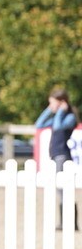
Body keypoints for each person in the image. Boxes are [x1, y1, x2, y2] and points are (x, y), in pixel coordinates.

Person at [35, 87, 79, 230]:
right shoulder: (56, 117)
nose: (51, 106)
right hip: (55, 155)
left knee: (64, 188)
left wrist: (60, 111)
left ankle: (71, 222)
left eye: (53, 103)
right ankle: (64, 221)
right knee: (60, 189)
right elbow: (39, 124)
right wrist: (49, 110)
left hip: (62, 156)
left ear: (61, 102)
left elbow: (59, 127)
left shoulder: (69, 117)